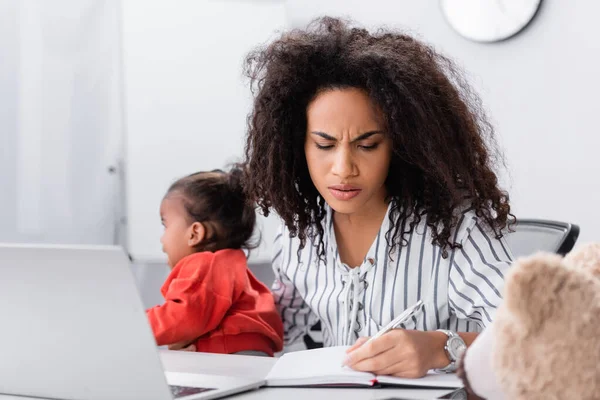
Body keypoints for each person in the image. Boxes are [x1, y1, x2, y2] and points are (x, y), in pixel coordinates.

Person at [243, 17, 515, 377]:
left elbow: (528, 334)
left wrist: (439, 347)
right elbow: (283, 328)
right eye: (324, 144)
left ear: (401, 146)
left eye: (367, 145)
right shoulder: (300, 234)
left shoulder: (454, 229)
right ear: (297, 145)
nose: (343, 168)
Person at [145, 167, 284, 356]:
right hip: (251, 352)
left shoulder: (204, 264)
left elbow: (183, 316)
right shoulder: (231, 268)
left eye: (165, 224)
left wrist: (136, 324)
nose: (163, 238)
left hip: (231, 353)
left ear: (195, 233)